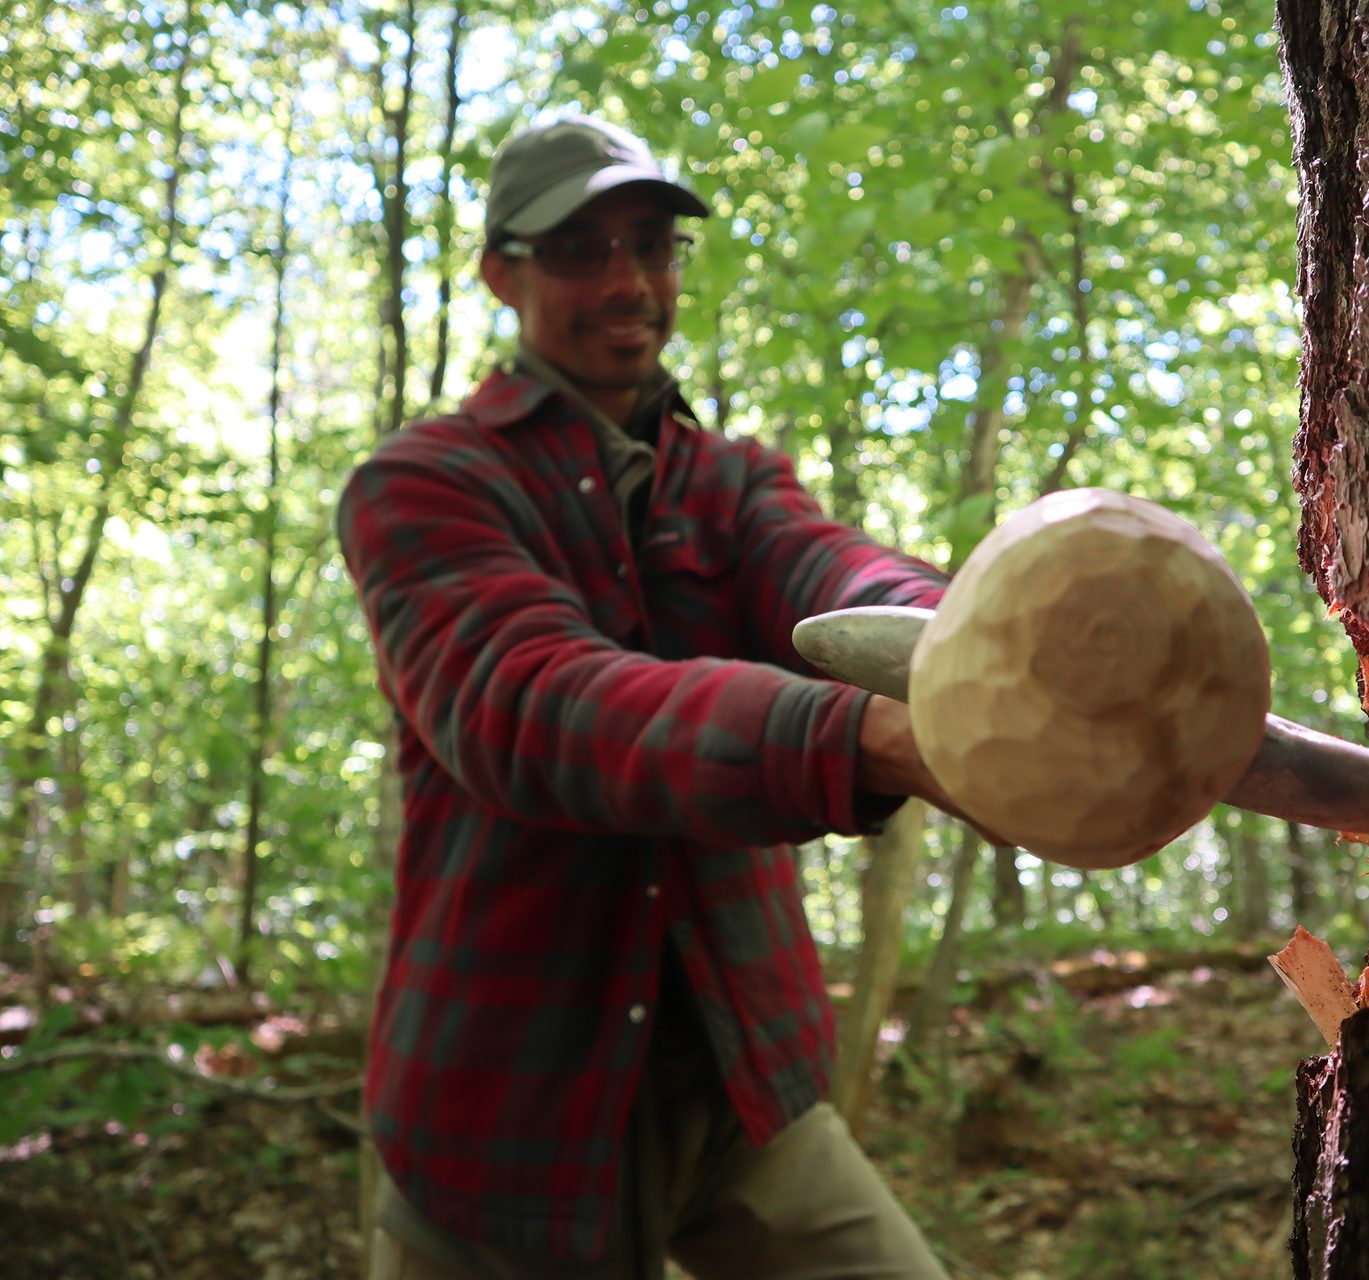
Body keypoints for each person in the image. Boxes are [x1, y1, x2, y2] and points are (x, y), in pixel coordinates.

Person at [336, 114, 963, 1280]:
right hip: (505, 1116)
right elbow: (529, 700)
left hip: (741, 1082)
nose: (627, 279)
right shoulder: (422, 484)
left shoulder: (729, 481)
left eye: (652, 244)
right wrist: (860, 737)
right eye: (580, 248)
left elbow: (831, 572)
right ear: (500, 274)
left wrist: (970, 639)